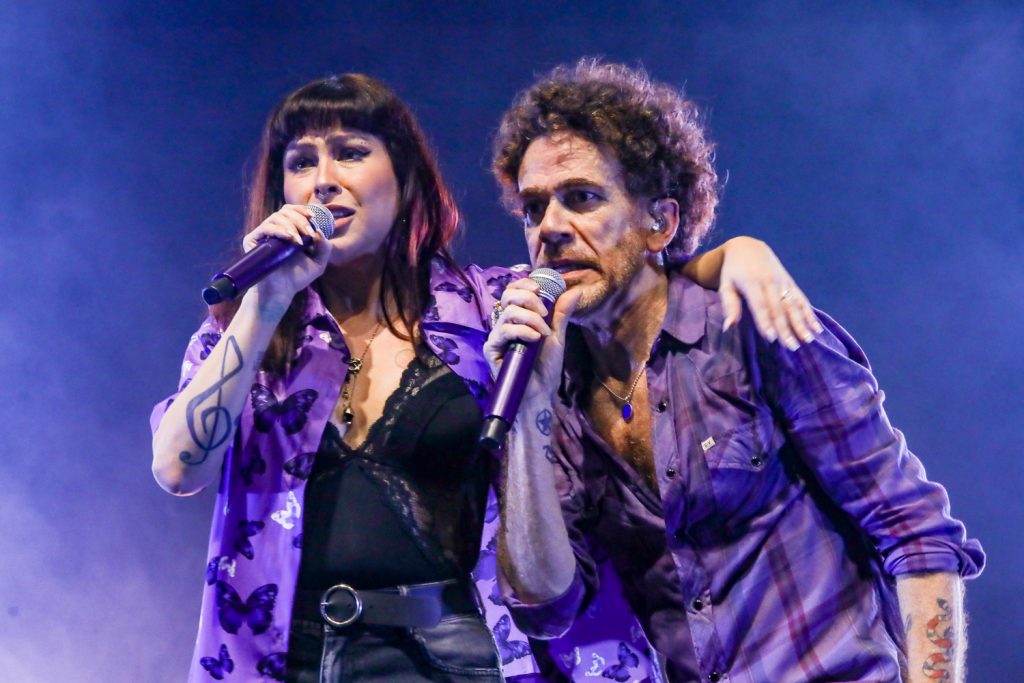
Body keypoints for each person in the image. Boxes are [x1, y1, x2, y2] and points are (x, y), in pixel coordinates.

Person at [150, 73, 819, 683]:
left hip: (457, 655)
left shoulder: (489, 304)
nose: (322, 181)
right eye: (301, 162)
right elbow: (178, 468)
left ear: (404, 178)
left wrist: (734, 255)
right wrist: (265, 303)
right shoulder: (249, 331)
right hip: (287, 656)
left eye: (350, 153)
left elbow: (626, 283)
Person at [486, 60, 985, 683]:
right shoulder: (554, 393)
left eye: (582, 198)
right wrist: (528, 411)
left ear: (660, 222)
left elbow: (914, 532)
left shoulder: (751, 328)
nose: (552, 228)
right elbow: (545, 606)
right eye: (533, 209)